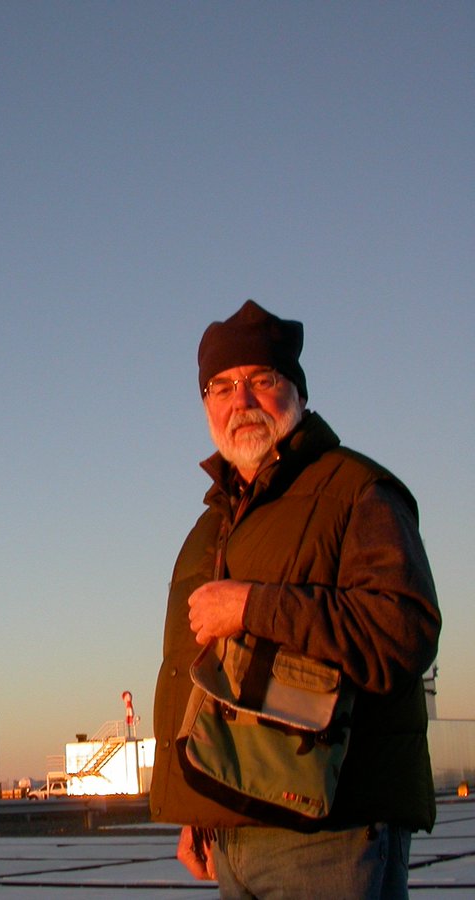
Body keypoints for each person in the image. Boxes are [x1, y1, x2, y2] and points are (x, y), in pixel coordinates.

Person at [150, 300, 441, 899]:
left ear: (297, 393)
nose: (242, 401)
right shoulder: (211, 529)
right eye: (222, 386)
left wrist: (254, 606)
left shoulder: (356, 491)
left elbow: (403, 631)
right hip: (234, 829)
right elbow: (205, 680)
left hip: (331, 832)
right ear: (206, 404)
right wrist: (197, 804)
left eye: (262, 380)